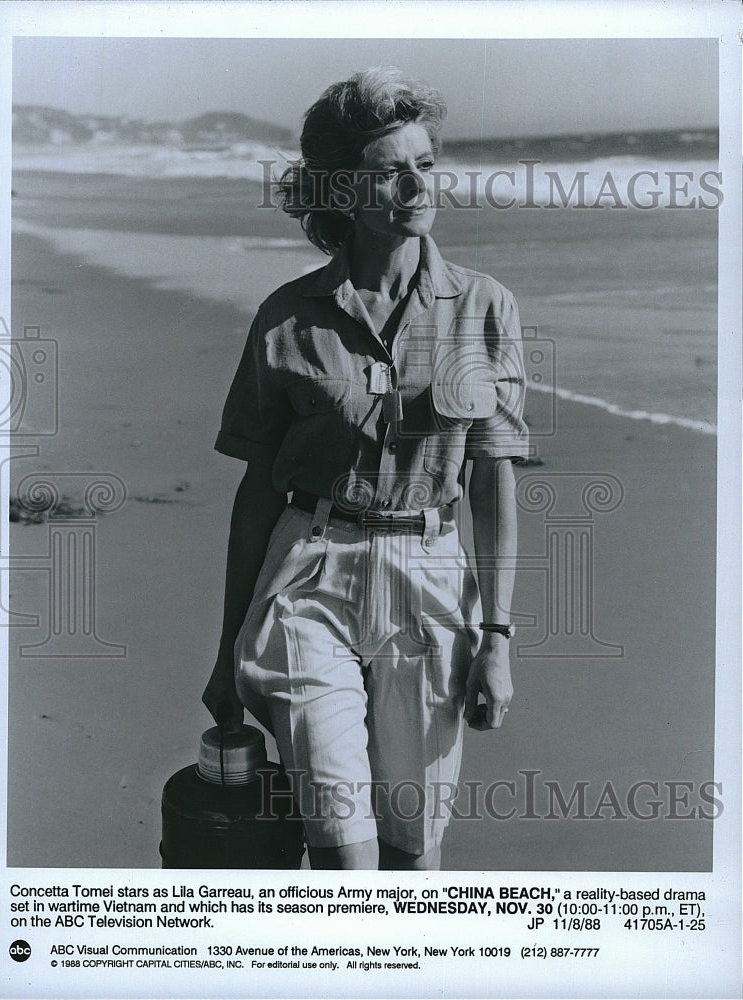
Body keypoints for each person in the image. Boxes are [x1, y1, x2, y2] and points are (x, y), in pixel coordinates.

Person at [203, 67, 528, 871]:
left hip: (430, 581)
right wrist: (222, 652)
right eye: (391, 169)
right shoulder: (287, 317)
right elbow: (255, 493)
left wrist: (497, 637)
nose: (416, 183)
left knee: (411, 857)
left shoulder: (486, 307)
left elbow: (492, 482)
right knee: (346, 859)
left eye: (425, 162)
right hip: (310, 575)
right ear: (342, 192)